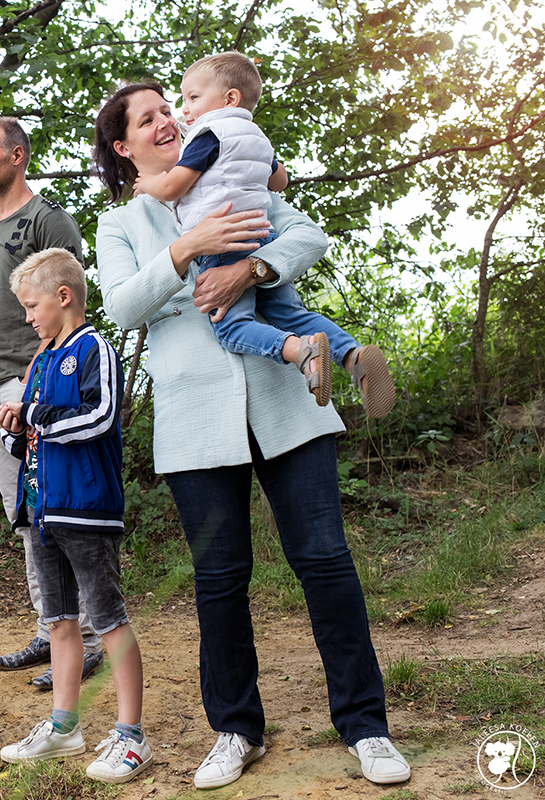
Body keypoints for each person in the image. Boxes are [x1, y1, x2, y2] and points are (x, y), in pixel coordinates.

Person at [91, 81, 411, 788]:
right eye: (148, 119)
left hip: (288, 400)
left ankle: (366, 726)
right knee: (220, 579)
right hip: (194, 420)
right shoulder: (123, 225)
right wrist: (189, 250)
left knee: (326, 561)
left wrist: (249, 268)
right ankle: (236, 729)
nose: (167, 121)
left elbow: (304, 233)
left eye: (169, 109)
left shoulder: (229, 166)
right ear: (124, 146)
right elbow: (119, 306)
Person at [136, 52, 395, 417]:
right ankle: (353, 358)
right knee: (292, 312)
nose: (184, 110)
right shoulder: (256, 136)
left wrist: (150, 184)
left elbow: (176, 185)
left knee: (231, 328)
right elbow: (280, 180)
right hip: (262, 235)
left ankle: (299, 351)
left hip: (223, 243)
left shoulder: (207, 135)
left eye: (192, 97)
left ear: (229, 99)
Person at [0, 248, 152, 786]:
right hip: (42, 511)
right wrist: (16, 428)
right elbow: (35, 441)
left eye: (33, 305)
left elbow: (100, 417)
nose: (29, 317)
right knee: (60, 622)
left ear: (64, 298)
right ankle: (65, 728)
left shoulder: (93, 349)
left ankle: (132, 737)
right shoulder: (39, 362)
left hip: (86, 512)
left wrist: (34, 415)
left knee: (107, 621)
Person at [0, 116, 104, 688]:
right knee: (24, 517)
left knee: (57, 513)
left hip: (34, 385)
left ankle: (89, 638)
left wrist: (43, 382)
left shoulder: (48, 221)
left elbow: (67, 312)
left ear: (18, 155)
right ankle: (54, 631)